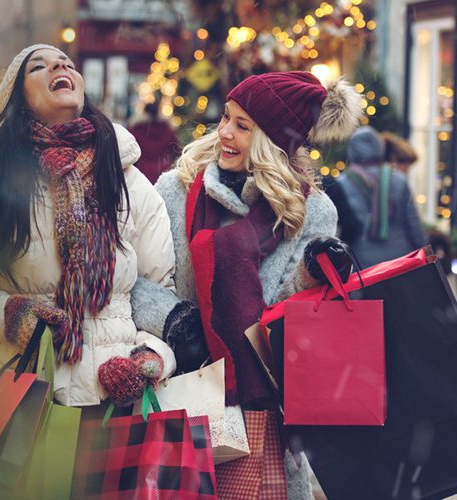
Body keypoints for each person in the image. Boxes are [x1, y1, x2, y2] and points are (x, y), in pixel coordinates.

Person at [130, 71, 363, 499]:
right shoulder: (177, 189)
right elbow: (135, 280)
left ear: (272, 142)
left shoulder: (312, 211)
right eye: (226, 118)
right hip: (182, 391)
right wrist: (176, 320)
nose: (224, 133)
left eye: (243, 126)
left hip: (262, 408)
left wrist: (311, 275)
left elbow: (291, 322)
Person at [0, 44, 178, 414]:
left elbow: (161, 293)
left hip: (115, 403)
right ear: (16, 99)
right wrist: (10, 313)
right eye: (38, 66)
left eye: (66, 63)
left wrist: (150, 356)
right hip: (24, 394)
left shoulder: (125, 176)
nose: (59, 66)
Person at [336, 127, 428, 266]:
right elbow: (413, 226)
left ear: (352, 150)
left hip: (362, 261)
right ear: (379, 148)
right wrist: (426, 255)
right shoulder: (399, 179)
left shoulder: (342, 183)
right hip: (401, 260)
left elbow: (342, 229)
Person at [129, 101, 181, 184]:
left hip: (141, 172)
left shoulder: (136, 130)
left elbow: (130, 151)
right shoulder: (167, 129)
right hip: (162, 172)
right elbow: (176, 149)